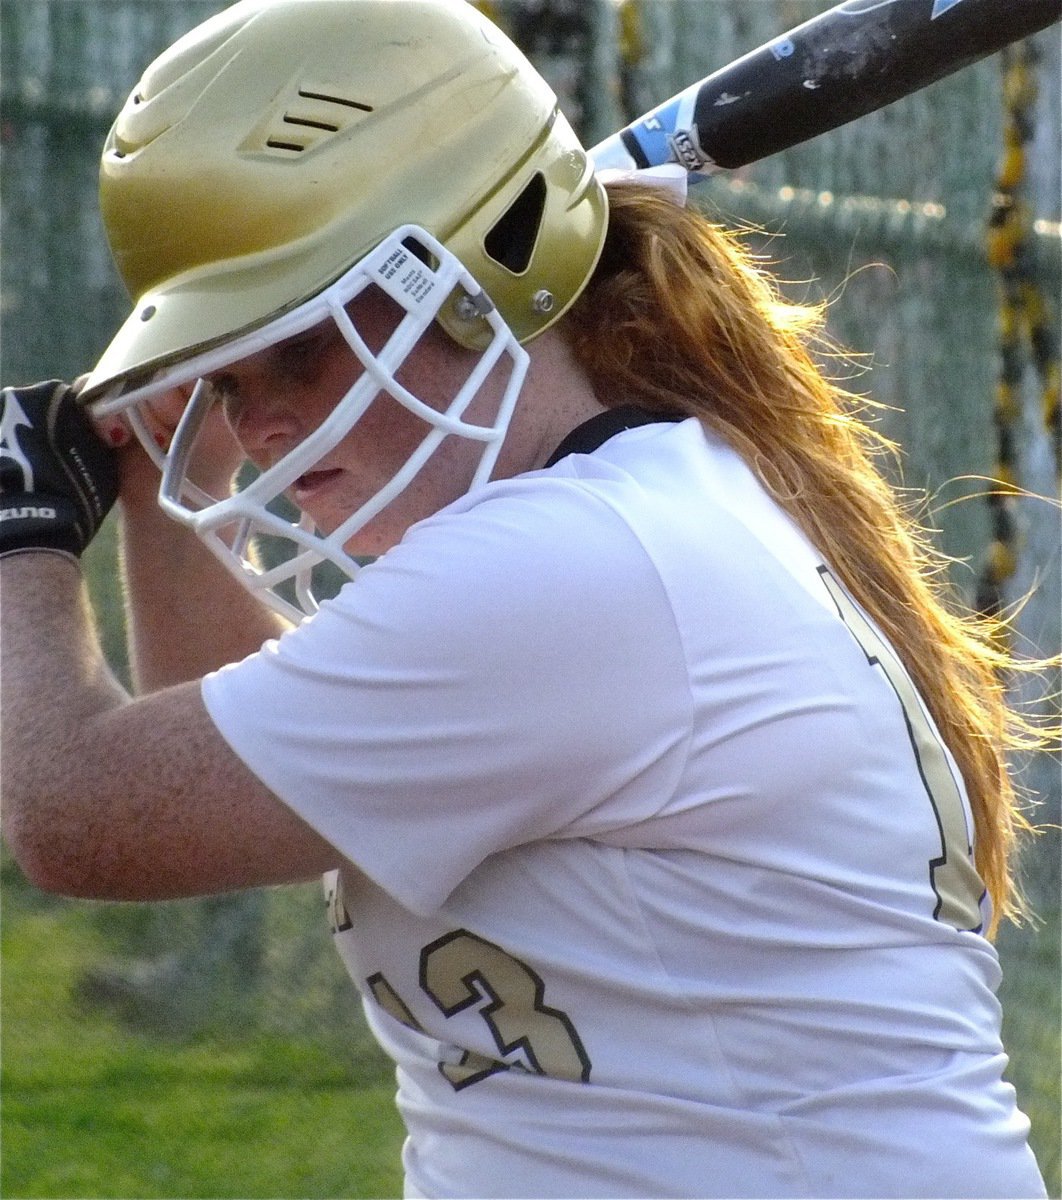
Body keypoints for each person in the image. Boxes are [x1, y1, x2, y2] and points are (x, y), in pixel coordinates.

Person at [0, 1, 1051, 1196]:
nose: (266, 423)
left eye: (304, 346)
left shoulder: (574, 566)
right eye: (227, 377)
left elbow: (82, 815)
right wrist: (159, 485)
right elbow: (244, 773)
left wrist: (21, 526)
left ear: (478, 276)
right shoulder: (633, 507)